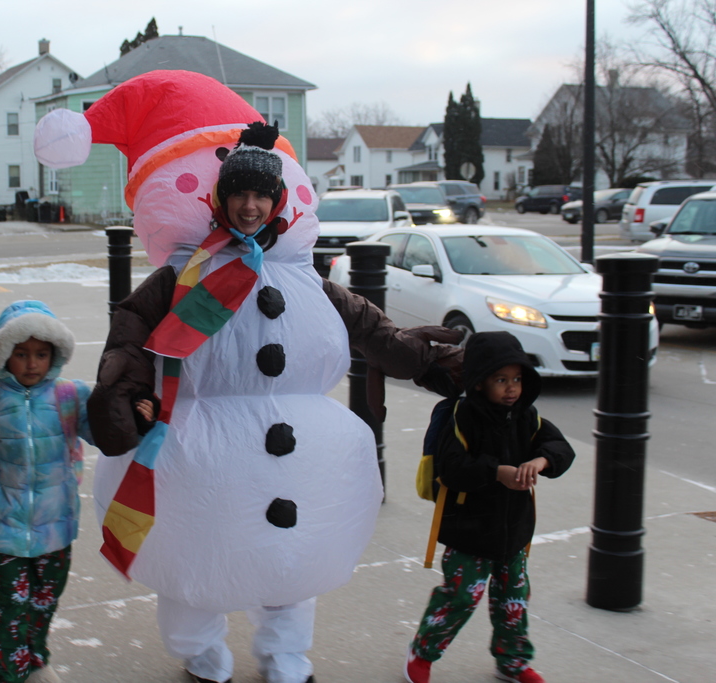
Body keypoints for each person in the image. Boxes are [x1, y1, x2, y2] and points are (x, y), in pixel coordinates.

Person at [34, 70, 463, 683]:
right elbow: (131, 334)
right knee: (196, 563)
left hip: (302, 460)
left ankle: (286, 656)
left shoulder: (305, 277)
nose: (251, 206)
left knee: (292, 566)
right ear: (221, 199)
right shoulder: (185, 274)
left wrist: (426, 361)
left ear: (279, 200)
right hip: (200, 454)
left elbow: (372, 331)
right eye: (239, 195)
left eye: (262, 195)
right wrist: (120, 395)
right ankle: (201, 654)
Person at [0, 300, 153, 683]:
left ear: (55, 355)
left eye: (41, 354)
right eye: (21, 354)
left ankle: (35, 659)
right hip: (2, 527)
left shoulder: (70, 397)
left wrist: (137, 418)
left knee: (44, 599)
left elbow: (104, 431)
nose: (32, 364)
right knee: (11, 605)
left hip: (55, 524)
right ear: (4, 354)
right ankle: (10, 672)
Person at [404, 331, 575, 683]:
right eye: (501, 380)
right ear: (480, 381)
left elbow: (560, 447)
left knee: (514, 600)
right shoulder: (463, 416)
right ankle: (422, 652)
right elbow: (451, 468)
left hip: (513, 530)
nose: (512, 388)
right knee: (460, 596)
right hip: (469, 529)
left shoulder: (526, 415)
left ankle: (512, 662)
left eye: (517, 379)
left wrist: (541, 460)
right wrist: (497, 472)